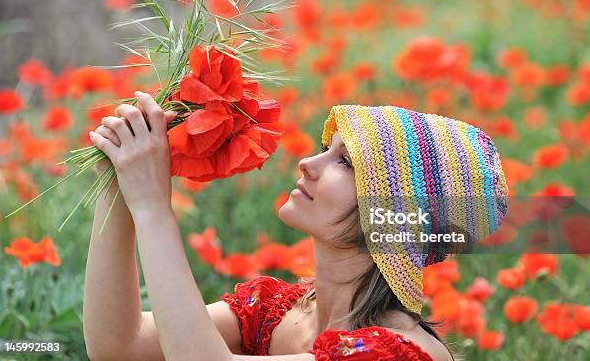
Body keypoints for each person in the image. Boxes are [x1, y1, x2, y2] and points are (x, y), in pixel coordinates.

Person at [83, 92, 508, 360]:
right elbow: (119, 344)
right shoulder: (281, 312)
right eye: (327, 148)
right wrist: (120, 178)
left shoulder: (391, 353)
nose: (308, 162)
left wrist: (153, 207)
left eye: (345, 161)